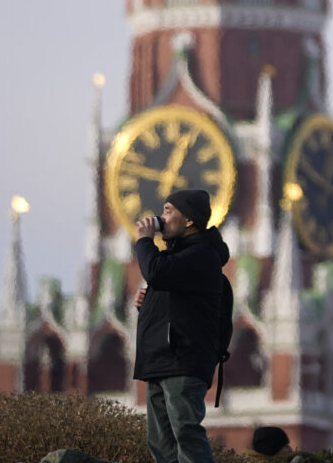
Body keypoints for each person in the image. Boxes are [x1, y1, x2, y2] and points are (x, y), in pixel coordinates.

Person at [134, 189, 231, 463]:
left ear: (188, 220)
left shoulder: (203, 255)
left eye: (168, 210)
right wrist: (147, 300)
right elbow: (167, 285)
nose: (161, 218)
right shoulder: (178, 256)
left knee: (184, 431)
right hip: (159, 360)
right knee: (160, 442)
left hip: (182, 360)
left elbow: (156, 272)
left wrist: (144, 240)